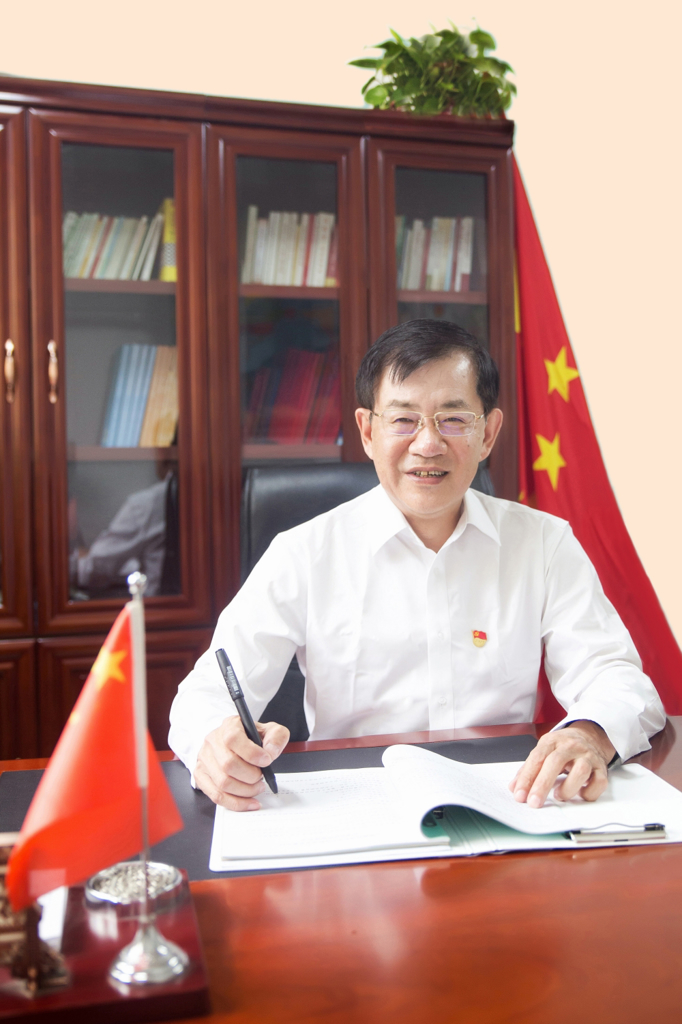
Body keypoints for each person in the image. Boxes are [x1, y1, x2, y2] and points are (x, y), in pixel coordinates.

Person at [169, 319, 666, 811]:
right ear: (368, 431)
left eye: (454, 419)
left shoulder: (543, 543)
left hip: (507, 800)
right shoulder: (304, 553)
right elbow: (206, 694)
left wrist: (588, 732)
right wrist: (214, 743)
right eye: (403, 419)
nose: (428, 444)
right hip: (355, 807)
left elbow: (616, 679)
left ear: (489, 433)